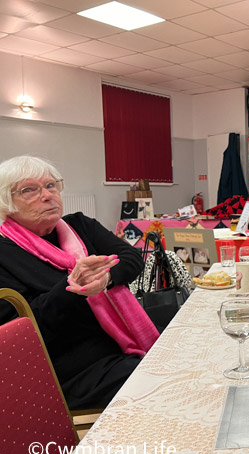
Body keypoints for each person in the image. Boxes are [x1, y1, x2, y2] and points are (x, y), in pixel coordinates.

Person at [0, 156, 159, 410]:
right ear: (6, 203)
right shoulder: (5, 255)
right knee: (161, 381)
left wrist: (106, 279)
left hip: (120, 343)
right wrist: (72, 288)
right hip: (73, 367)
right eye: (29, 190)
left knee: (182, 351)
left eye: (51, 185)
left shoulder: (81, 225)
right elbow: (22, 331)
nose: (47, 195)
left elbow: (132, 258)